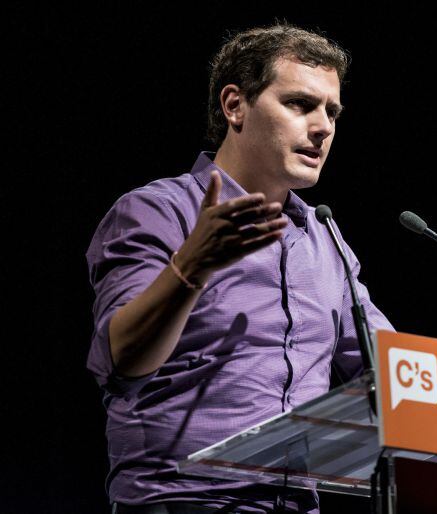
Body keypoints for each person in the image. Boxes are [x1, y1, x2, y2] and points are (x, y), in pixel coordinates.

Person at [86, 24, 393, 514]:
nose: (324, 127)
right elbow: (121, 363)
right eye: (300, 104)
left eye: (332, 111)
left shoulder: (327, 241)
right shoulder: (158, 212)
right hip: (183, 499)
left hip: (295, 504)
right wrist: (192, 266)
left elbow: (397, 377)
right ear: (235, 106)